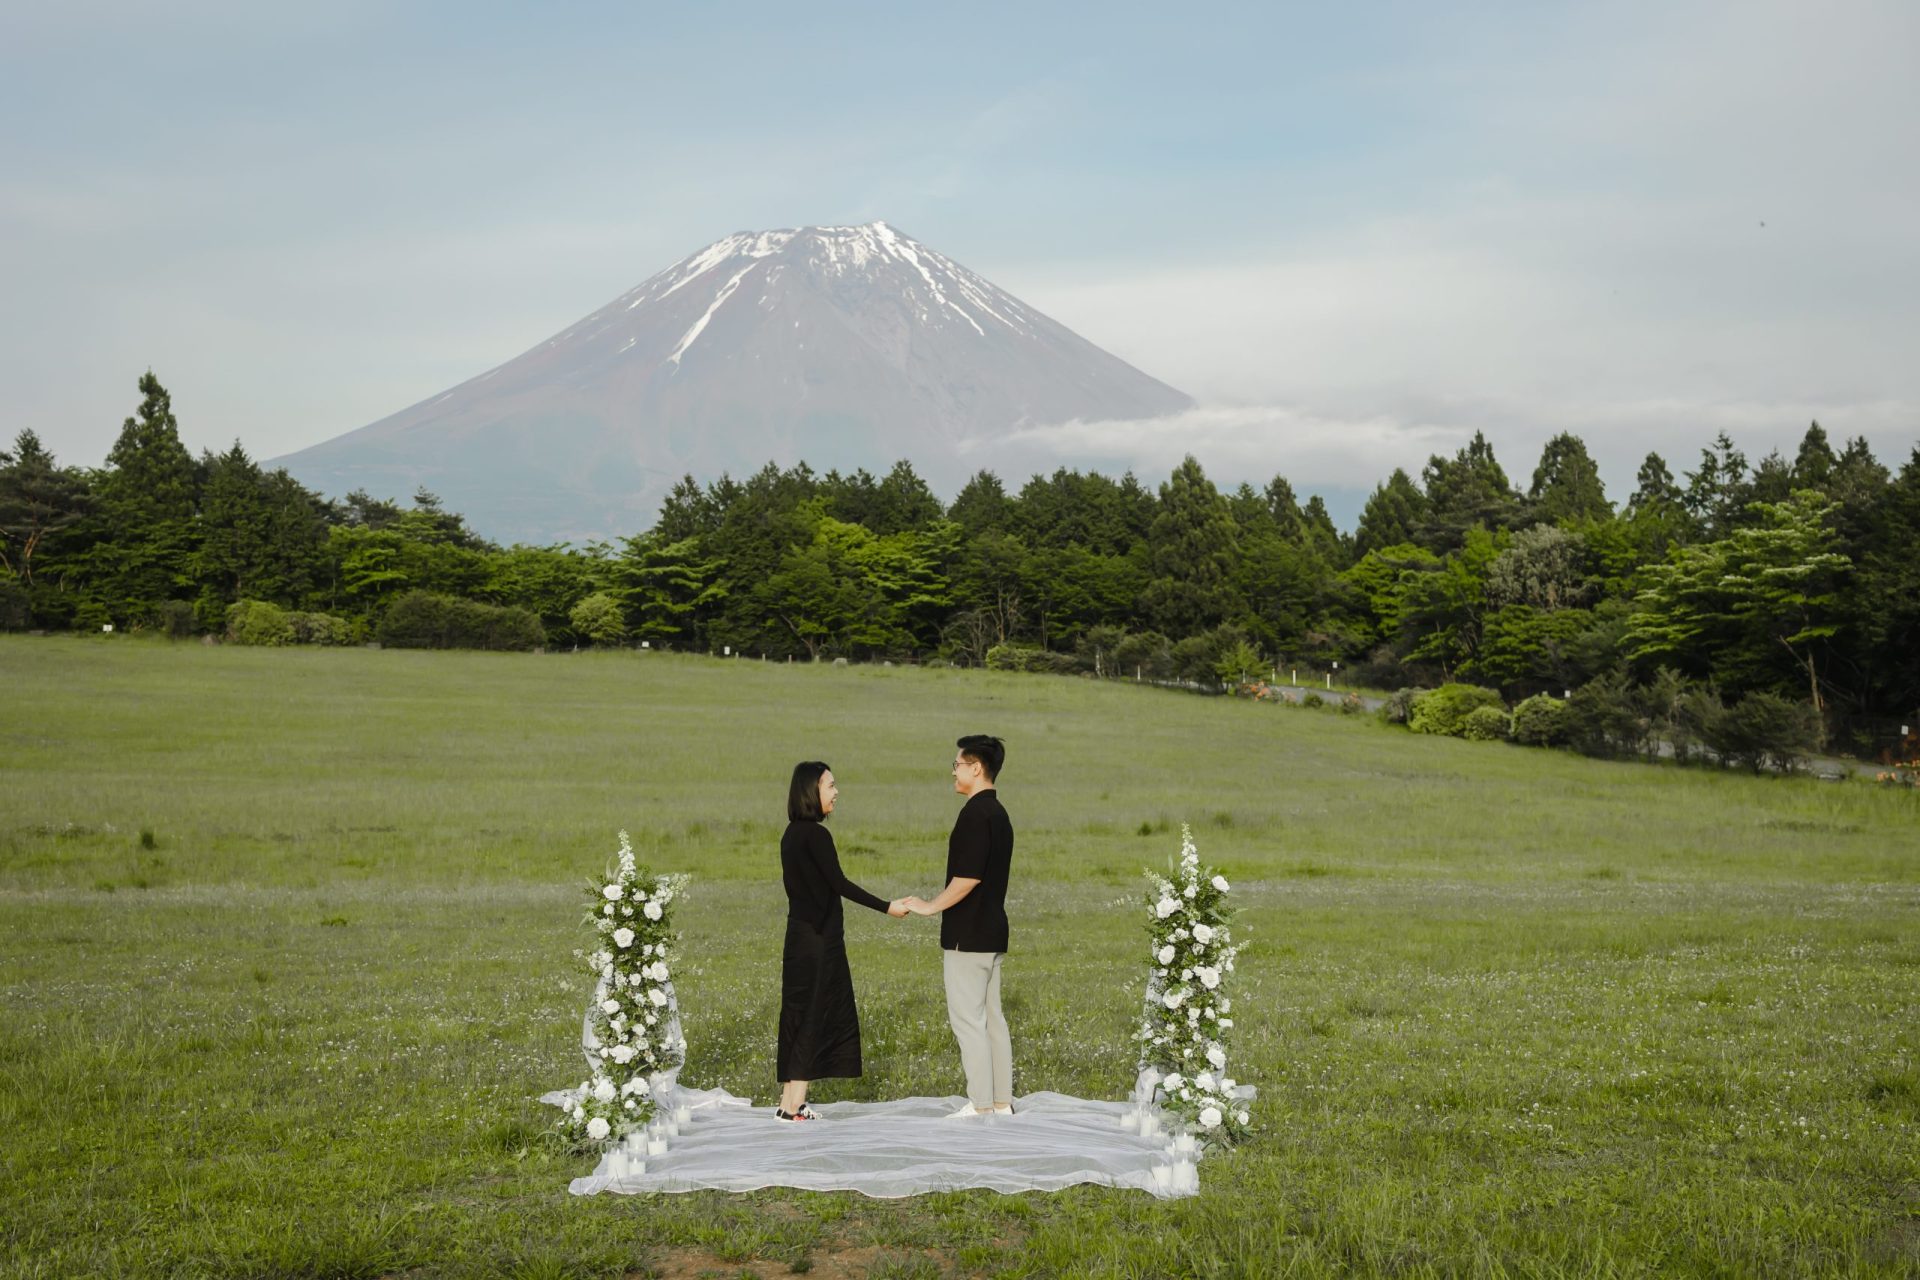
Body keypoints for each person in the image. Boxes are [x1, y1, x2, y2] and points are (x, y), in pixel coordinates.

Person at [777, 761, 909, 1123]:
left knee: (796, 1013)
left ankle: (788, 1101)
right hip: (820, 941)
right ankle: (795, 1109)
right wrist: (887, 907)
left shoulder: (790, 834)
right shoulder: (817, 836)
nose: (836, 792)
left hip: (798, 937)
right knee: (813, 1017)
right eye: (830, 786)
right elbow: (839, 883)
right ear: (811, 791)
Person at [905, 734, 1015, 1117]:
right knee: (993, 1020)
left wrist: (929, 907)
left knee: (969, 1022)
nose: (953, 772)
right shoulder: (999, 814)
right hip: (992, 932)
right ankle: (1001, 1103)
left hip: (967, 936)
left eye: (957, 765)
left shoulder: (974, 814)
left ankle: (982, 1106)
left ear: (976, 768)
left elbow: (968, 878)